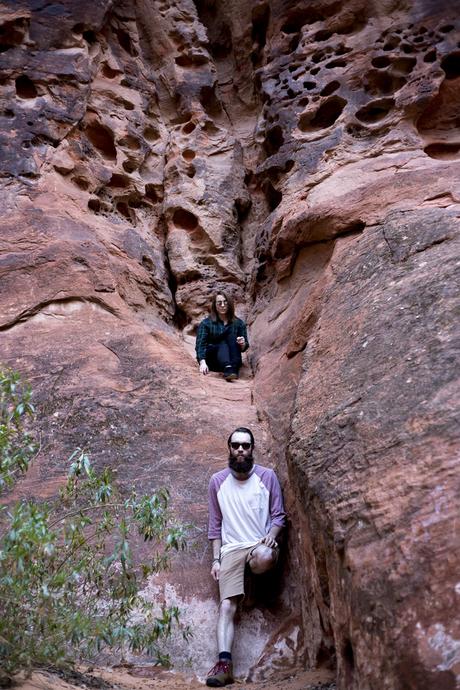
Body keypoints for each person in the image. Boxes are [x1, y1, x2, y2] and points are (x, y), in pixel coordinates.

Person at [206, 427, 286, 687]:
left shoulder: (267, 476)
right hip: (231, 549)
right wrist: (216, 560)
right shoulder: (217, 481)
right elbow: (214, 525)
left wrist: (272, 536)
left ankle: (251, 582)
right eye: (236, 445)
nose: (241, 449)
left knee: (264, 557)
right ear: (229, 449)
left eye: (246, 445)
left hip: (258, 545)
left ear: (253, 449)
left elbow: (279, 515)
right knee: (227, 606)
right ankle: (224, 666)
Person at [195, 291, 249, 381]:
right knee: (222, 342)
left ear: (230, 304)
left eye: (225, 302)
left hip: (233, 361)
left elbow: (244, 348)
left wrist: (242, 343)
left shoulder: (239, 323)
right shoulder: (206, 323)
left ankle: (231, 368)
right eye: (219, 303)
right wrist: (202, 362)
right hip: (213, 360)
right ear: (215, 305)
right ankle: (228, 368)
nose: (223, 305)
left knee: (232, 336)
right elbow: (200, 345)